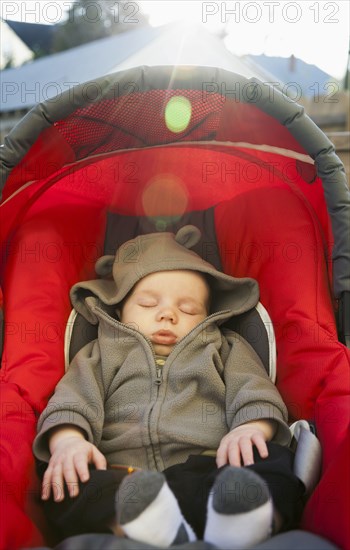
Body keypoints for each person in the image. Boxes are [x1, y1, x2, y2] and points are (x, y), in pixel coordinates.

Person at [33, 225, 304, 549]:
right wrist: (69, 443)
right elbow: (71, 401)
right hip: (124, 478)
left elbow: (255, 391)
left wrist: (251, 429)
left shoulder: (223, 347)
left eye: (188, 309)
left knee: (272, 462)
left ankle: (243, 523)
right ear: (119, 309)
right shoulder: (99, 355)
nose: (167, 315)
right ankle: (146, 524)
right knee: (65, 482)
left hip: (211, 468)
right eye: (148, 304)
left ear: (209, 315)